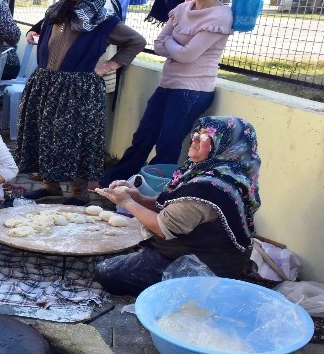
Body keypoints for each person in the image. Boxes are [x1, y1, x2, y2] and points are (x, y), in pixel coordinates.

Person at [94, 116, 261, 296]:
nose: (195, 139)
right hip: (195, 248)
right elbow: (173, 202)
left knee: (107, 272)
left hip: (206, 266)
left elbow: (162, 227)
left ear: (225, 146)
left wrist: (126, 202)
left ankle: (191, 292)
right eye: (197, 133)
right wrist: (140, 198)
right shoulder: (210, 169)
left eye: (206, 137)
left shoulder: (210, 187)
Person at [15, 0, 145, 206]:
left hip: (78, 90)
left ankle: (79, 193)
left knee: (75, 139)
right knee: (46, 135)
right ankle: (51, 186)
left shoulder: (103, 20)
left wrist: (109, 65)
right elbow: (46, 26)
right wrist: (32, 30)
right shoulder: (58, 11)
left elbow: (136, 41)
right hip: (46, 83)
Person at [98, 0, 232, 188]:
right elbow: (158, 45)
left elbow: (187, 56)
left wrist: (170, 42)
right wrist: (176, 47)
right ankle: (115, 182)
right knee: (142, 138)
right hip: (167, 85)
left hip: (193, 91)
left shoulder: (220, 16)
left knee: (167, 144)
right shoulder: (182, 8)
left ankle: (155, 192)